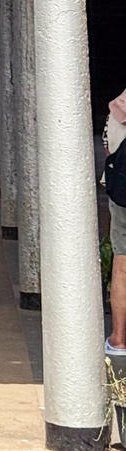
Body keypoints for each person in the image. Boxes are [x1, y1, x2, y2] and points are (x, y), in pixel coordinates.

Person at [105, 89, 126, 363]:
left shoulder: (119, 108)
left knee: (123, 264)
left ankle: (119, 339)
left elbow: (111, 152)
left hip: (123, 195)